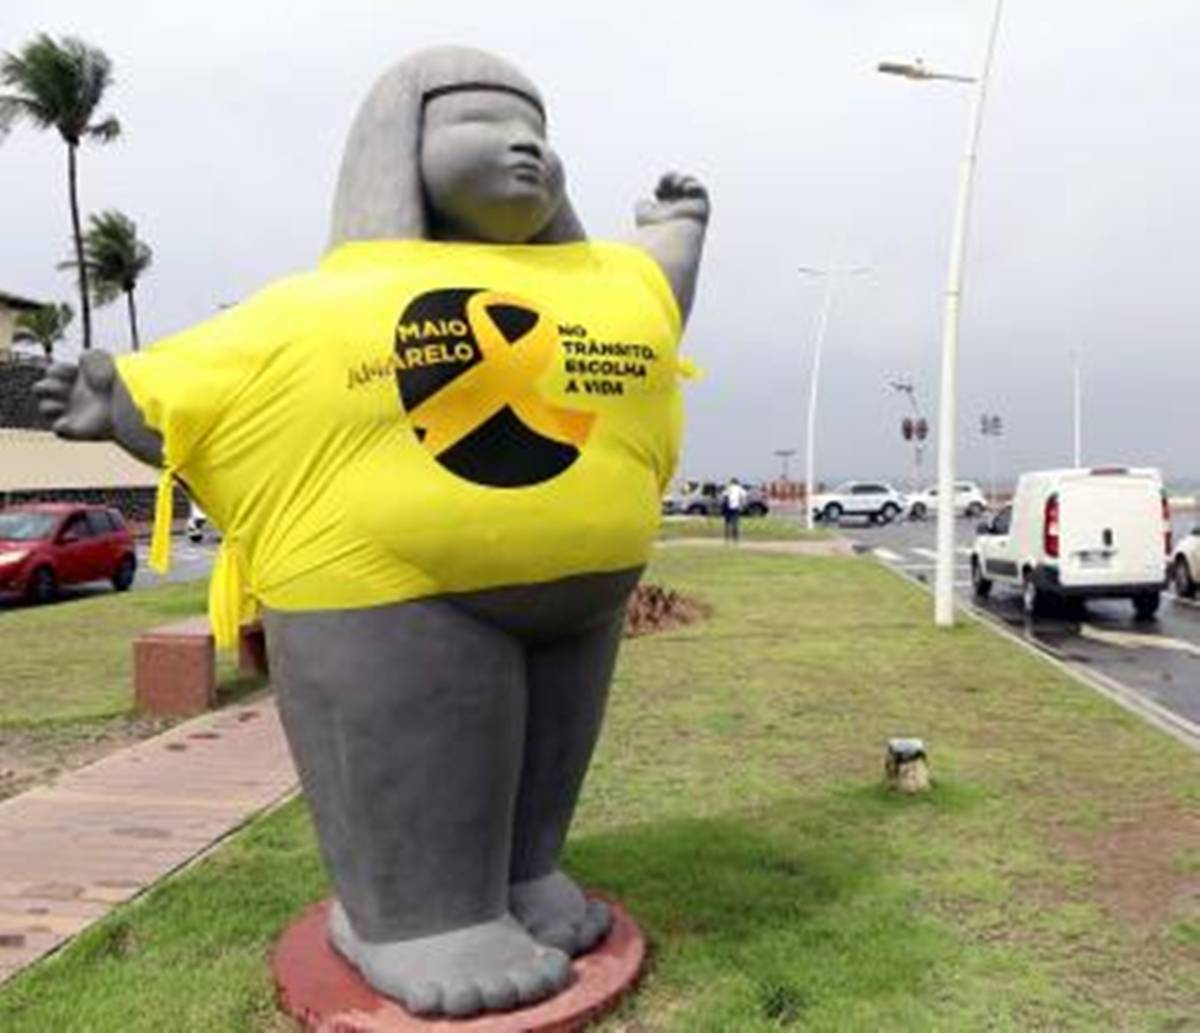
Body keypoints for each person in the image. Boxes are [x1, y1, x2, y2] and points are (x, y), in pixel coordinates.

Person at [33, 47, 709, 1020]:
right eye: (483, 121)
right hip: (396, 596)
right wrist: (124, 397)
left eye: (540, 131)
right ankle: (414, 920)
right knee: (430, 766)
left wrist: (680, 236)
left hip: (582, 600)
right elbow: (230, 372)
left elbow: (654, 303)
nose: (527, 145)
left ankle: (523, 878)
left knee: (540, 790)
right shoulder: (337, 298)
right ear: (399, 148)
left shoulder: (597, 284)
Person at [721, 477, 747, 542]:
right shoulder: (739, 488)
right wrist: (742, 505)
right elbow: (744, 496)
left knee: (727, 523)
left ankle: (726, 538)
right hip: (736, 507)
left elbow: (724, 496)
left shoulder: (728, 488)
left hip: (727, 507)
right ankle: (735, 538)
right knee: (735, 523)